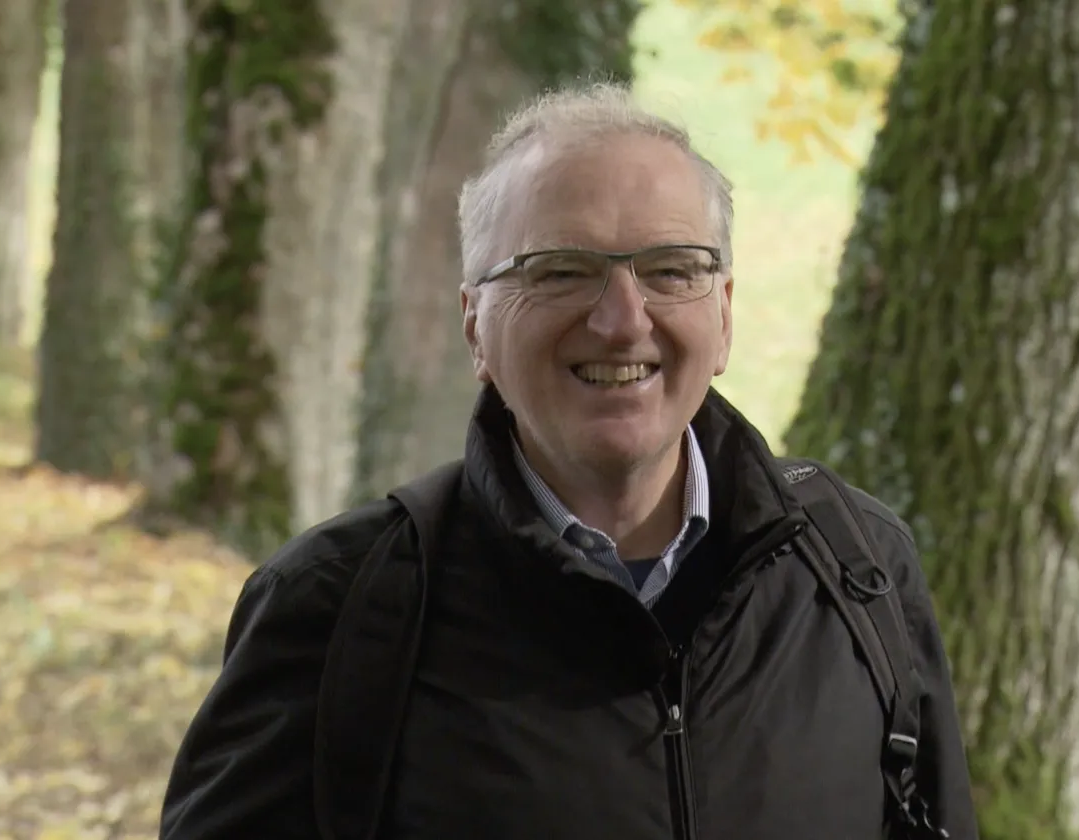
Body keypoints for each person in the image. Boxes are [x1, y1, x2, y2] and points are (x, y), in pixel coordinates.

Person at [158, 82, 979, 840]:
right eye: (560, 272)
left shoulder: (856, 568)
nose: (623, 321)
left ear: (724, 315)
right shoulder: (339, 607)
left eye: (671, 270)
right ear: (475, 325)